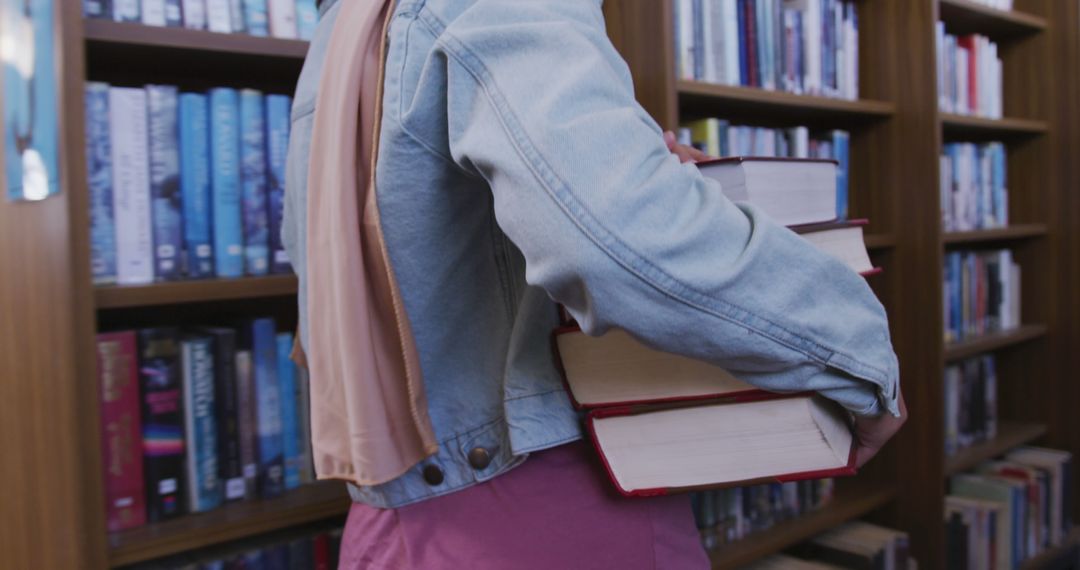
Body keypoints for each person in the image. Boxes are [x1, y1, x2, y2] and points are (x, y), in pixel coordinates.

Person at [282, 0, 907, 568]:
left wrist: (638, 169)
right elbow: (621, 242)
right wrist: (856, 353)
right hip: (544, 518)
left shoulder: (349, 23)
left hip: (393, 524)